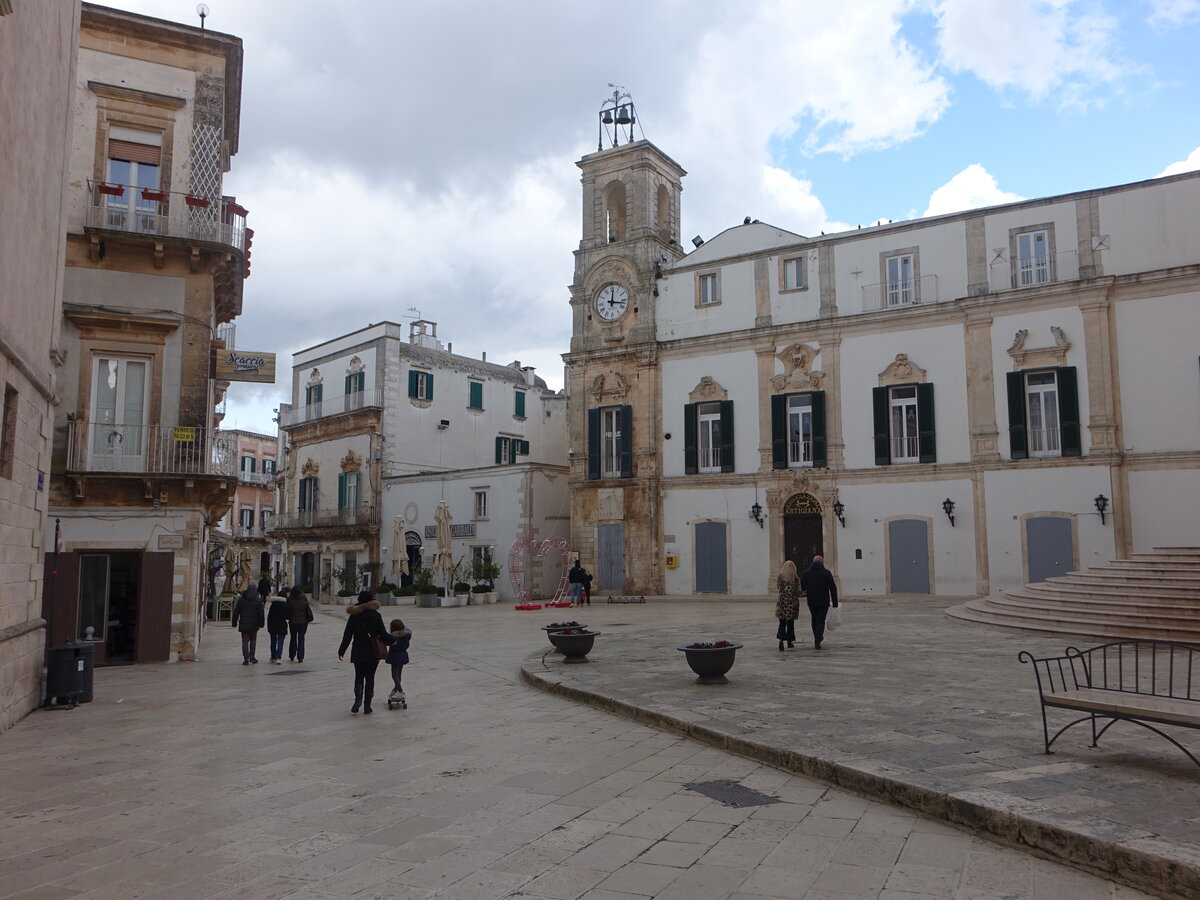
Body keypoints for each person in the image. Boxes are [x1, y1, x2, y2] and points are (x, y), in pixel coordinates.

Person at [338, 590, 392, 714]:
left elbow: (347, 635)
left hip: (358, 649)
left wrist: (342, 650)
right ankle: (367, 706)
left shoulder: (354, 615)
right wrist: (393, 640)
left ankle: (358, 699)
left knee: (358, 676)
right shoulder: (376, 615)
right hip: (373, 651)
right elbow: (383, 634)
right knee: (370, 678)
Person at [800, 555, 839, 650]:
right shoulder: (826, 573)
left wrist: (807, 592)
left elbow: (802, 586)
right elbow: (833, 588)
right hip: (823, 601)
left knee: (814, 619)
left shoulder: (807, 572)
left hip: (811, 600)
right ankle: (818, 639)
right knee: (821, 620)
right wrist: (835, 603)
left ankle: (816, 637)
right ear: (822, 563)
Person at [230, 586, 264, 665]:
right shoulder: (258, 600)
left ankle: (246, 658)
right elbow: (261, 613)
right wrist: (261, 623)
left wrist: (234, 622)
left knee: (245, 641)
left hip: (244, 623)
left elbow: (236, 611)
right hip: (254, 624)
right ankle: (252, 657)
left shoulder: (241, 600)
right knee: (253, 640)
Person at [776, 560, 801, 651]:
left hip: (782, 602)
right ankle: (790, 642)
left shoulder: (780, 577)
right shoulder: (796, 579)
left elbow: (779, 588)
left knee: (782, 622)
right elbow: (799, 592)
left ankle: (781, 639)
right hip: (792, 603)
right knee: (790, 623)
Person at [387, 618, 412, 702]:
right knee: (399, 674)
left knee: (394, 675)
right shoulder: (407, 635)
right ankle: (395, 690)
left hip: (395, 656)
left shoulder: (393, 637)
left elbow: (387, 641)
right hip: (403, 655)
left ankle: (400, 690)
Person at [285, 585, 313, 663]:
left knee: (293, 638)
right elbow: (307, 609)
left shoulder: (290, 600)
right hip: (303, 622)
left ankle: (292, 655)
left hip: (293, 622)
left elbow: (287, 611)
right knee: (301, 639)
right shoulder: (304, 599)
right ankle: (300, 657)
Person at [265, 591, 289, 664]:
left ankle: (273, 657)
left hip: (273, 626)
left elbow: (269, 617)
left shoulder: (273, 605)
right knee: (280, 642)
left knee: (273, 642)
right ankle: (279, 657)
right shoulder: (285, 605)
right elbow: (287, 616)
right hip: (281, 625)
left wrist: (268, 627)